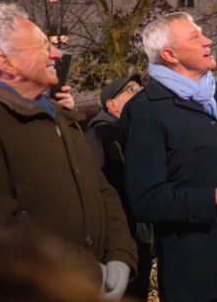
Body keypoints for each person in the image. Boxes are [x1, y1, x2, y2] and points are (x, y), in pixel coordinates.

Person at [0, 4, 137, 299]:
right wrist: (92, 273)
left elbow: (102, 191)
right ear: (5, 62)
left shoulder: (59, 117)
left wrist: (122, 256)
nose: (58, 55)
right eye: (43, 46)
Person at [122, 12, 217, 302]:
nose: (208, 40)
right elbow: (146, 201)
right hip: (193, 279)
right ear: (169, 54)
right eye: (195, 37)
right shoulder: (145, 110)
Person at [85, 75, 153, 301]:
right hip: (120, 240)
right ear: (111, 104)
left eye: (140, 88)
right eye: (131, 89)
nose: (139, 92)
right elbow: (100, 190)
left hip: (137, 236)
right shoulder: (100, 134)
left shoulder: (132, 132)